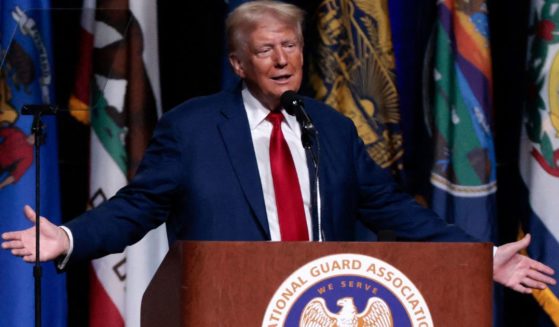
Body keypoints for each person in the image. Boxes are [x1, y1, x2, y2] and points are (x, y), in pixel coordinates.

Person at [2, 0, 555, 294]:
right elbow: (138, 207)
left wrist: (476, 257)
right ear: (240, 64)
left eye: (290, 45)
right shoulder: (193, 128)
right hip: (227, 307)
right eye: (266, 50)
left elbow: (392, 211)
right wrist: (71, 236)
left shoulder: (331, 128)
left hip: (319, 306)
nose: (283, 59)